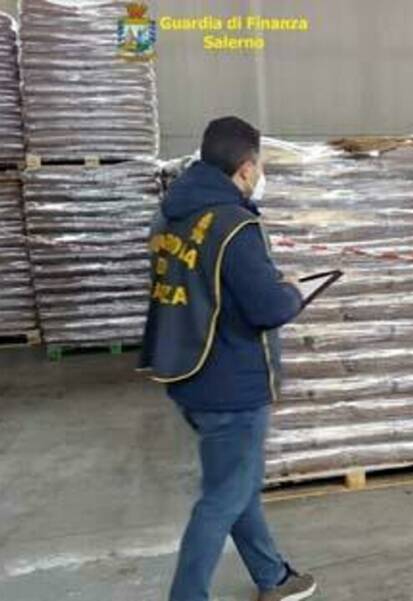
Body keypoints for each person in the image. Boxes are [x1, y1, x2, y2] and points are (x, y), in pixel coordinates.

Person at [139, 116, 317, 601]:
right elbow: (267, 308)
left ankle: (272, 576)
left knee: (237, 484)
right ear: (245, 168)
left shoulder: (171, 215)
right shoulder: (234, 226)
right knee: (223, 497)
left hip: (188, 373)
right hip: (232, 384)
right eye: (259, 165)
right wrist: (292, 290)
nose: (260, 175)